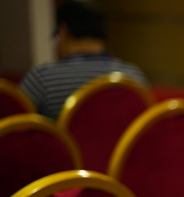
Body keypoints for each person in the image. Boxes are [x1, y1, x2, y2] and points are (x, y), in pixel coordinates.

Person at [19, 1, 148, 120]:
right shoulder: (134, 78)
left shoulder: (42, 79)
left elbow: (13, 128)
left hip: (65, 145)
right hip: (119, 146)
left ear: (63, 31)